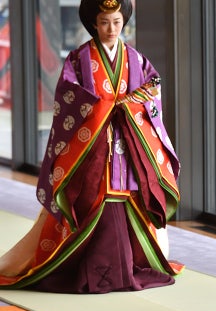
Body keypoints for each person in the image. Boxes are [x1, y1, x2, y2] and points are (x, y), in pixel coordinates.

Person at [0, 0, 182, 293]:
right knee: (91, 202)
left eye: (116, 22)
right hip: (92, 149)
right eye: (104, 22)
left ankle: (128, 267)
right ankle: (86, 268)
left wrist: (135, 105)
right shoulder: (78, 60)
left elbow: (152, 90)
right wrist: (105, 108)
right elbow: (69, 99)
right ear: (93, 25)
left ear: (124, 22)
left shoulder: (136, 60)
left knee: (127, 202)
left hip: (127, 147)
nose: (111, 29)